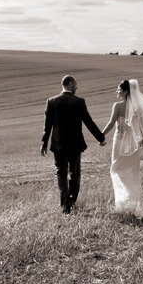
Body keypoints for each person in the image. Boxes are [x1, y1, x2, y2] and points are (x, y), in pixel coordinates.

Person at [41, 75, 106, 214]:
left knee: (61, 173)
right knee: (74, 173)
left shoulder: (51, 101)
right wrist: (100, 138)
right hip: (75, 145)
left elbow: (47, 126)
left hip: (58, 144)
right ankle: (71, 201)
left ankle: (64, 205)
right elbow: (89, 122)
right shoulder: (79, 102)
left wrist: (44, 144)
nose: (77, 86)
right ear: (70, 83)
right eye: (75, 84)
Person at [102, 79, 143, 218]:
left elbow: (111, 123)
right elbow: (141, 126)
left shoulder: (117, 106)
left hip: (119, 142)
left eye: (118, 89)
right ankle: (134, 203)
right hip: (134, 144)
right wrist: (141, 139)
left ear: (125, 92)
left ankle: (123, 203)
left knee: (117, 169)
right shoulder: (137, 107)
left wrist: (101, 135)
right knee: (133, 172)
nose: (116, 92)